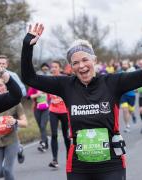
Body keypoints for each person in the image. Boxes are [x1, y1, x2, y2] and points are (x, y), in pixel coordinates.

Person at [21, 23, 142, 180]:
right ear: (71, 67)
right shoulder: (65, 85)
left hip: (111, 163)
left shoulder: (113, 82)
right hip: (79, 166)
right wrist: (27, 46)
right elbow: (29, 78)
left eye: (85, 60)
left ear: (94, 60)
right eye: (75, 63)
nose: (81, 66)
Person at [0, 76, 27, 180]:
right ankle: (20, 149)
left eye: (0, 85)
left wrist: (15, 121)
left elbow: (25, 123)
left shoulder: (15, 103)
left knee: (7, 170)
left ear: (6, 87)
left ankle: (18, 148)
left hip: (11, 141)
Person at [48, 61, 70, 168]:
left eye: (56, 67)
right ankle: (55, 160)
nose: (53, 69)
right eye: (52, 67)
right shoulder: (48, 80)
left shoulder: (65, 79)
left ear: (59, 68)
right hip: (53, 111)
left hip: (64, 111)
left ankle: (69, 158)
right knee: (54, 135)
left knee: (66, 135)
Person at [27, 87, 49, 152]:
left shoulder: (46, 84)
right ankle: (45, 142)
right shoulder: (33, 87)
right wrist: (37, 95)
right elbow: (28, 97)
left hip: (46, 109)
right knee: (41, 127)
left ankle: (43, 144)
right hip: (37, 109)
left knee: (42, 126)